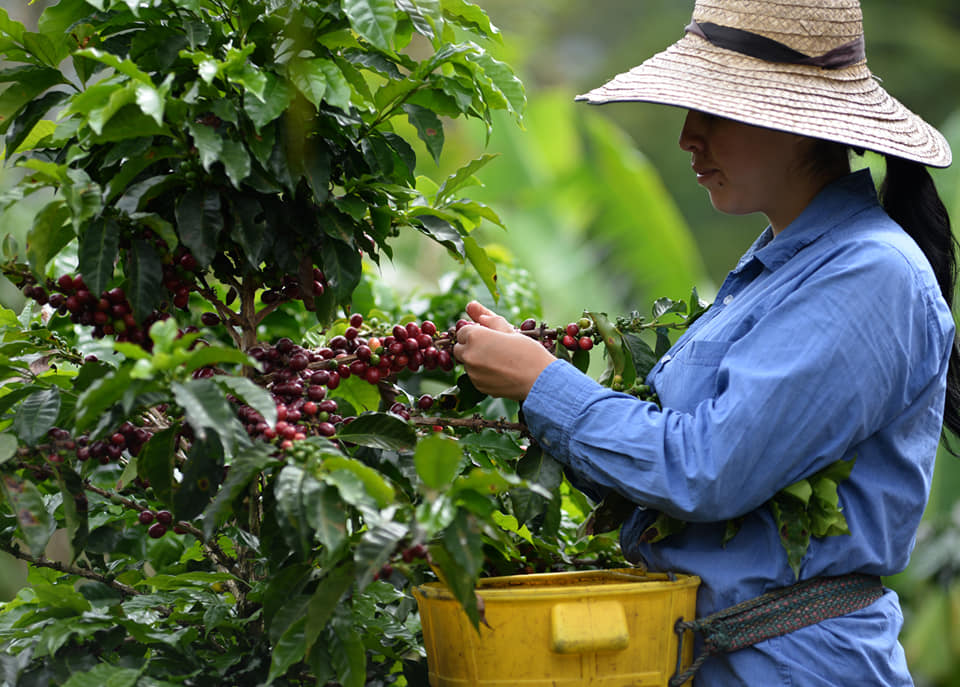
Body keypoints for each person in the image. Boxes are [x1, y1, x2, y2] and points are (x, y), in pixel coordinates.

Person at [453, 1, 957, 685]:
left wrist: (542, 382)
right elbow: (667, 467)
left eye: (715, 112)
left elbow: (705, 469)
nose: (690, 137)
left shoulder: (871, 275)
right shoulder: (775, 267)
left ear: (796, 122)